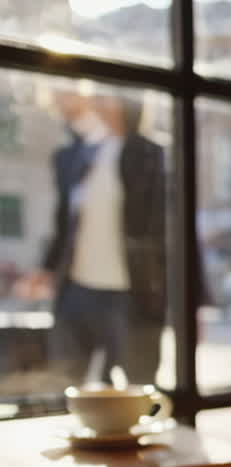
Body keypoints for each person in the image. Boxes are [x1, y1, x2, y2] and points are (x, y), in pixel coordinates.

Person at [36, 91, 167, 387]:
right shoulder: (78, 155)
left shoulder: (149, 154)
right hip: (77, 288)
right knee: (69, 379)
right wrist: (46, 269)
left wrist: (194, 300)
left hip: (130, 291)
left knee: (139, 383)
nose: (97, 102)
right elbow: (64, 221)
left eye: (106, 97)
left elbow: (167, 229)